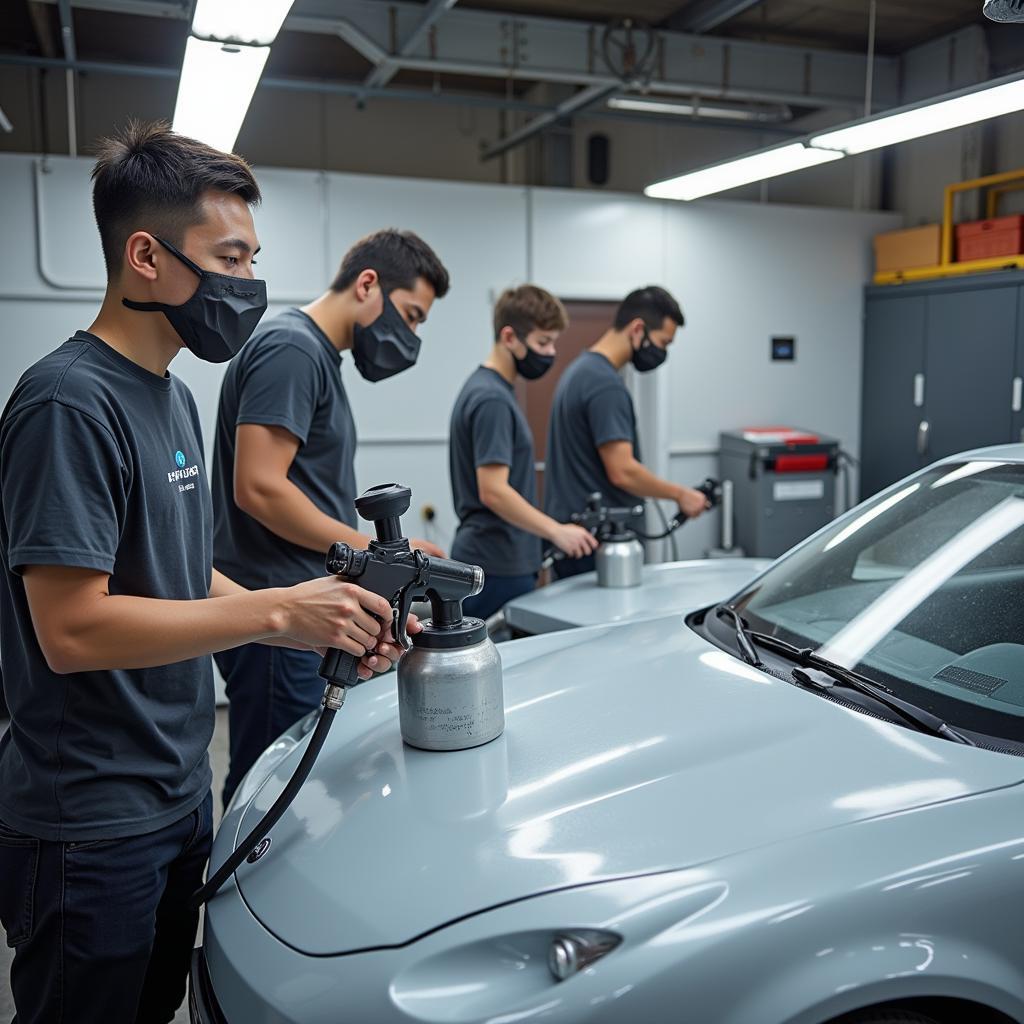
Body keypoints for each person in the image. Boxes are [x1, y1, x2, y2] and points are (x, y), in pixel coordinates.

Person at [0, 122, 409, 1024]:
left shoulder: (175, 396)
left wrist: (313, 608)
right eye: (228, 257)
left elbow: (187, 572)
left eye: (253, 257)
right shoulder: (68, 403)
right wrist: (272, 620)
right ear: (145, 256)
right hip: (92, 814)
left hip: (176, 786)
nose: (247, 284)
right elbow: (71, 631)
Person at [212, 228, 449, 806]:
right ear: (368, 284)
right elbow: (260, 488)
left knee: (291, 774)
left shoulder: (315, 354)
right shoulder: (294, 348)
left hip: (297, 604)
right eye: (412, 315)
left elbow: (296, 488)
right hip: (277, 604)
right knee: (271, 783)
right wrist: (374, 554)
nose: (412, 335)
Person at [449, 286, 597, 619]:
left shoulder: (492, 390)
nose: (550, 351)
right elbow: (494, 491)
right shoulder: (492, 400)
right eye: (543, 342)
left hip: (500, 559)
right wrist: (557, 531)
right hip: (496, 565)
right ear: (509, 336)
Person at [544, 286, 709, 579]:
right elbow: (623, 471)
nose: (662, 353)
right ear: (637, 329)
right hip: (600, 550)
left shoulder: (579, 372)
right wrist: (681, 495)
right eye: (663, 342)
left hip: (579, 544)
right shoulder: (604, 384)